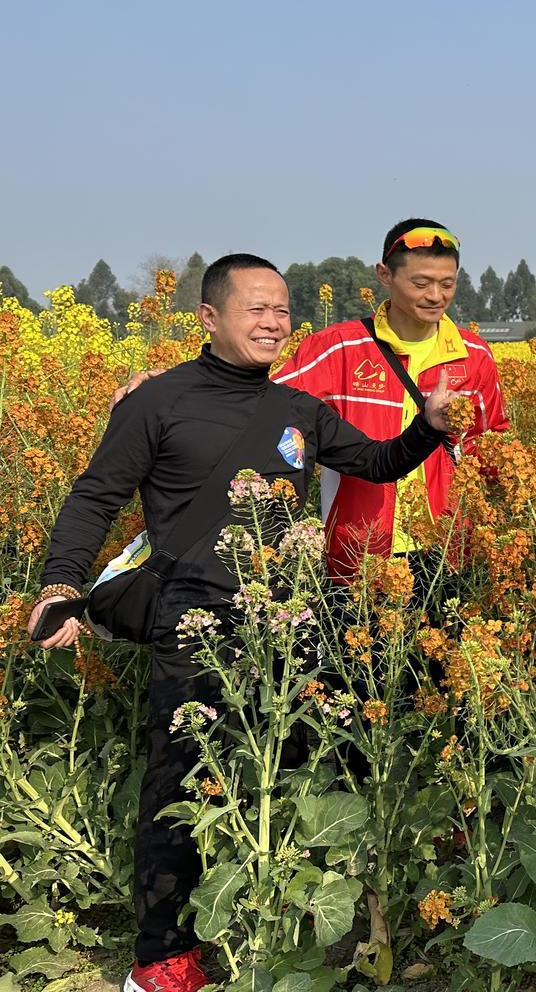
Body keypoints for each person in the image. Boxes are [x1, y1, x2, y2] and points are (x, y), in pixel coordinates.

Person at [29, 255, 465, 992]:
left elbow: (376, 461)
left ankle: (268, 924)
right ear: (210, 318)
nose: (273, 322)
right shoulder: (158, 401)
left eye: (282, 310)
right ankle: (162, 956)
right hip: (191, 618)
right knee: (179, 780)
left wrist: (426, 426)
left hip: (283, 622)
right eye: (256, 309)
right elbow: (94, 497)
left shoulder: (297, 408)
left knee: (285, 768)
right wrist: (60, 584)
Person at [116, 218, 509, 586]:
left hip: (447, 548)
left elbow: (492, 446)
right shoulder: (340, 348)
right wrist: (166, 384)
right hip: (358, 552)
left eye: (448, 284)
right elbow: (253, 397)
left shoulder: (473, 355)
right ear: (384, 275)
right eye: (421, 283)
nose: (436, 296)